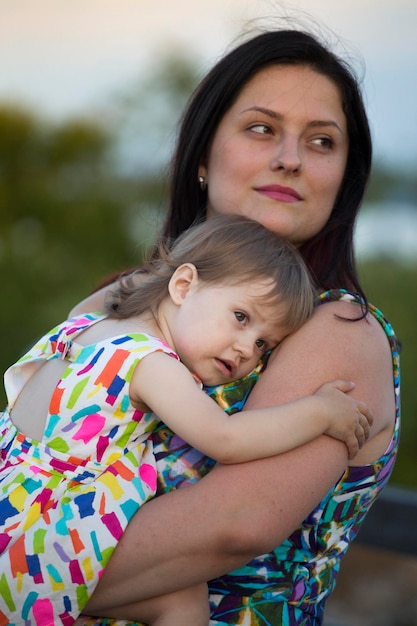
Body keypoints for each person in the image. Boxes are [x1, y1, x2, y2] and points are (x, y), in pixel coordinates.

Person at [71, 27, 397, 626]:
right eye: (262, 128)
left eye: (321, 141)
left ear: (342, 181)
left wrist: (22, 571)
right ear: (202, 154)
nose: (291, 158)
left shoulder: (338, 328)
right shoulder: (130, 296)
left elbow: (230, 526)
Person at [0, 215, 374, 626]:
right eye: (241, 317)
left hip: (12, 506)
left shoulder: (87, 325)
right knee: (180, 600)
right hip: (33, 534)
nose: (247, 348)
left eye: (264, 343)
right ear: (182, 285)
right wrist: (319, 411)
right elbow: (225, 438)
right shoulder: (149, 362)